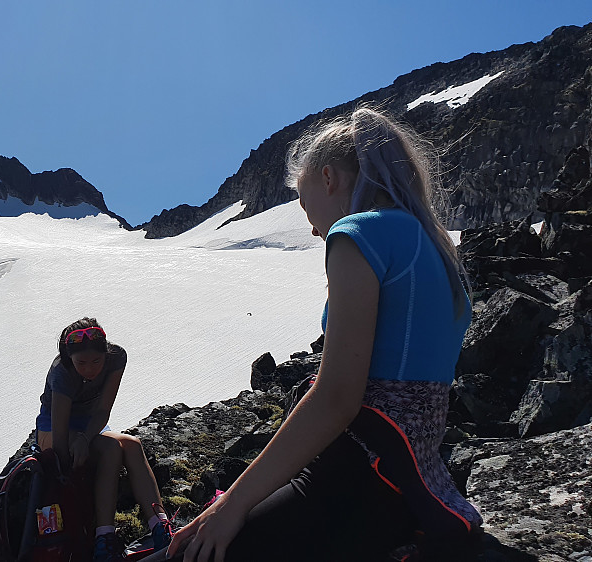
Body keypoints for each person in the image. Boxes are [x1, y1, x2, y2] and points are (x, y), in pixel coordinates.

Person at [162, 108, 483, 562]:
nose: (310, 224)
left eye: (302, 200)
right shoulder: (435, 246)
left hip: (353, 475)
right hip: (412, 485)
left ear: (328, 178)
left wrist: (230, 507)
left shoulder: (360, 232)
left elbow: (337, 399)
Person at [36, 318, 175, 562]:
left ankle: (160, 525)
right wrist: (72, 457)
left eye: (96, 361)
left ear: (105, 353)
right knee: (111, 449)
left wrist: (85, 438)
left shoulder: (116, 358)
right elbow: (59, 436)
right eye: (81, 363)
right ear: (70, 359)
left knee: (133, 445)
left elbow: (102, 411)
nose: (90, 369)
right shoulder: (62, 372)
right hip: (53, 428)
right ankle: (104, 538)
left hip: (91, 424)